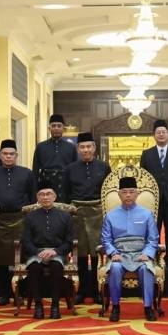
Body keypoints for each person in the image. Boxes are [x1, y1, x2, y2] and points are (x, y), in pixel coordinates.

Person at [61, 131, 111, 305]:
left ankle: (98, 291)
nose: (86, 150)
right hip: (78, 213)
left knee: (97, 253)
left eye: (89, 146)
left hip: (98, 212)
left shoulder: (104, 167)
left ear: (94, 148)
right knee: (80, 254)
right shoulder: (70, 169)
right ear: (78, 149)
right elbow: (65, 194)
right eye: (82, 147)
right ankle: (82, 290)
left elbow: (108, 192)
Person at [102, 176, 160, 322]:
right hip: (119, 255)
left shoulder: (146, 214)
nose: (128, 195)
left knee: (146, 270)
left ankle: (148, 307)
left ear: (137, 193)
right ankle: (115, 306)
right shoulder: (110, 215)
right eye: (124, 192)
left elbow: (153, 238)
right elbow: (106, 239)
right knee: (114, 268)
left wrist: (147, 254)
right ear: (119, 194)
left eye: (131, 192)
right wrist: (113, 253)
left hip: (141, 255)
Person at [0, 139, 36, 305]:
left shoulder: (26, 173)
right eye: (5, 154)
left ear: (17, 155)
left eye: (11, 154)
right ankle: (4, 293)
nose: (8, 157)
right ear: (0, 155)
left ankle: (21, 291)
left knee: (20, 257)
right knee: (0, 259)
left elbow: (32, 197)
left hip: (20, 219)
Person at [21, 184, 74, 319]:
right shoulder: (30, 217)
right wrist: (38, 253)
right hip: (36, 253)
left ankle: (55, 305)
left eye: (48, 194)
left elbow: (69, 242)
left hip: (57, 253)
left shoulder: (65, 216)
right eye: (42, 194)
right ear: (37, 198)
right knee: (34, 267)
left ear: (54, 196)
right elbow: (26, 241)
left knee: (56, 267)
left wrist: (55, 251)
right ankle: (38, 305)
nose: (45, 197)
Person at [139, 119, 168, 266]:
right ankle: (154, 254)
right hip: (153, 199)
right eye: (158, 132)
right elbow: (143, 178)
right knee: (153, 228)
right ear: (154, 135)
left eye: (164, 132)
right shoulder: (147, 154)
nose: (161, 135)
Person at [32, 114, 77, 197]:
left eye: (59, 126)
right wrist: (35, 191)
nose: (56, 128)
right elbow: (35, 171)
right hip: (46, 184)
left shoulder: (71, 147)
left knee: (64, 208)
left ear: (63, 128)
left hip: (65, 184)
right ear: (49, 128)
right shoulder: (40, 146)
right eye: (53, 126)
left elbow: (75, 170)